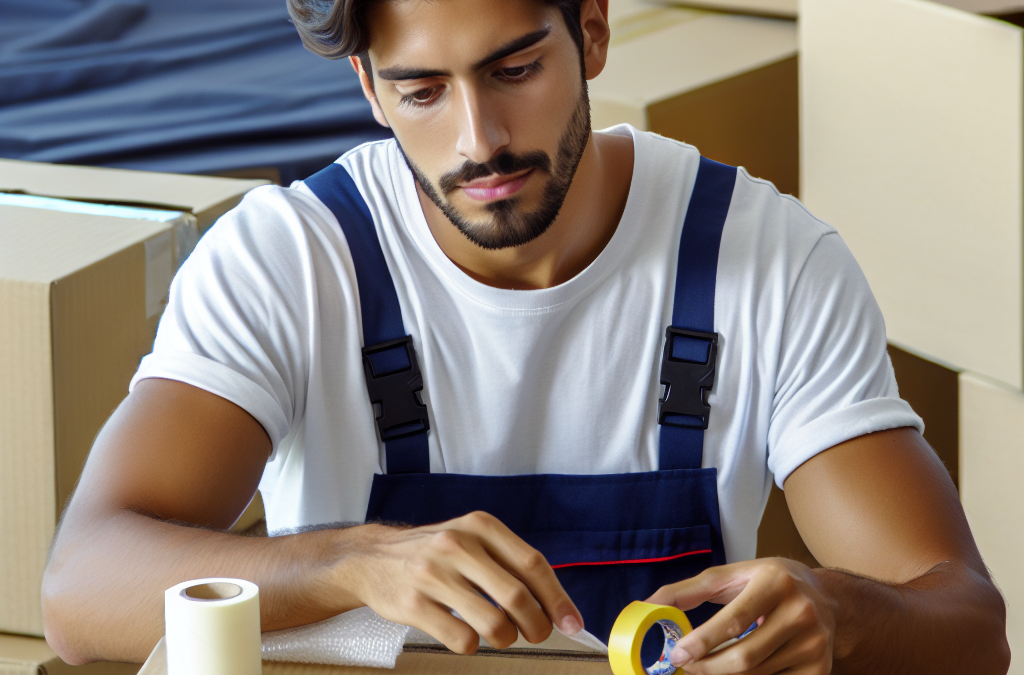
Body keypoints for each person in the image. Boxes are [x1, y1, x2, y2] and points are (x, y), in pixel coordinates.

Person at [42, 0, 1009, 672]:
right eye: (422, 90)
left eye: (514, 70)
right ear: (369, 90)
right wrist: (352, 564)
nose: (480, 141)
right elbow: (81, 591)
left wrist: (839, 619)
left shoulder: (768, 260)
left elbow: (968, 627)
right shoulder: (291, 258)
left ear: (589, 31)